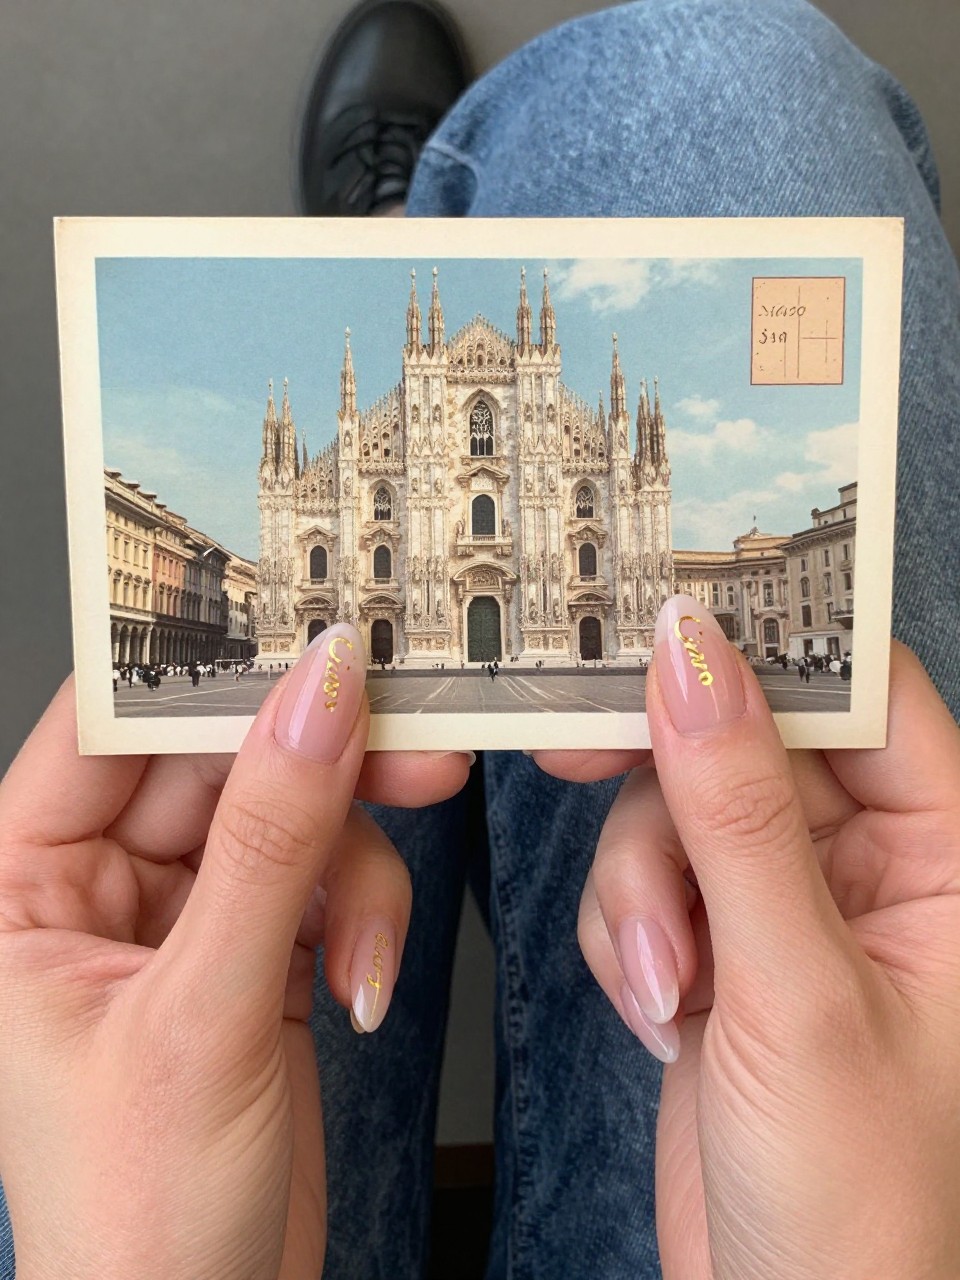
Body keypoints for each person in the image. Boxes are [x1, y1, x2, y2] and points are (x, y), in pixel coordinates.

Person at [3, 1, 960, 1277]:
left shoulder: (566, 429)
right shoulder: (374, 450)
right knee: (735, 66)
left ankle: (396, 229)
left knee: (342, 859)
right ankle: (410, 230)